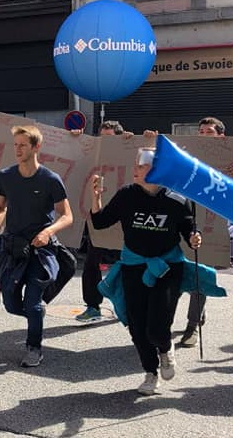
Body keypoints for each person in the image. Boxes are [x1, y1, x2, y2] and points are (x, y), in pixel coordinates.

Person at [90, 147, 223, 395]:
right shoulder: (126, 195)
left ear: (156, 170)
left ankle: (165, 348)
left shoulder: (177, 199)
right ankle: (150, 373)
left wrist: (195, 238)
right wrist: (95, 198)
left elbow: (189, 230)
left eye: (140, 166)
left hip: (167, 267)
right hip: (133, 265)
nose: (135, 170)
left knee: (158, 327)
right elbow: (100, 222)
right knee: (137, 326)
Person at [0, 125, 73, 367]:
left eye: (23, 145)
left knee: (33, 300)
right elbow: (1, 208)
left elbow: (67, 216)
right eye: (15, 144)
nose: (18, 149)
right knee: (12, 304)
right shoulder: (6, 176)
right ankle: (36, 315)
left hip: (40, 250)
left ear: (36, 147)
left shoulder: (50, 179)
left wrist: (48, 231)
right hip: (13, 247)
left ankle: (34, 347)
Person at [144, 116, 226, 348]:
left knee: (201, 274)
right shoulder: (188, 155)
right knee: (180, 273)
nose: (203, 135)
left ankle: (192, 326)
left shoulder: (227, 156)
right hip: (184, 219)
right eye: (200, 131)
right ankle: (169, 323)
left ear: (221, 135)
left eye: (209, 132)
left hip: (213, 222)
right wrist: (133, 140)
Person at [75, 120, 125, 322]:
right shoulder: (92, 158)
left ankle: (125, 305)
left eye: (110, 139)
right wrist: (75, 140)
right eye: (102, 138)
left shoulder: (128, 154)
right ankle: (92, 306)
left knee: (127, 266)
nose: (105, 143)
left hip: (124, 221)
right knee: (91, 265)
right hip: (98, 219)